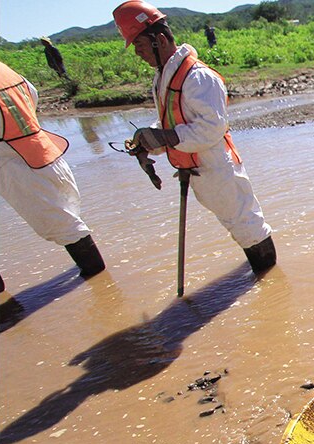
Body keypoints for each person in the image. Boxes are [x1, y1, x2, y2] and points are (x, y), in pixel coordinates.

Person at [113, 0, 277, 274]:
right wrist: (148, 142)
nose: (139, 55)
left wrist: (163, 137)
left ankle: (271, 285)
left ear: (160, 39)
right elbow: (173, 121)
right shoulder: (164, 76)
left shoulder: (198, 77)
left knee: (247, 226)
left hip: (217, 167)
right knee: (237, 226)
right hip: (199, 168)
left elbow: (211, 128)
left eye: (140, 47)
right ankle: (266, 281)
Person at [0, 61, 106, 281]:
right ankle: (100, 282)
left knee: (63, 224)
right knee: (66, 218)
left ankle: (98, 279)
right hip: (42, 147)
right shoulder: (3, 70)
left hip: (14, 159)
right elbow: (32, 94)